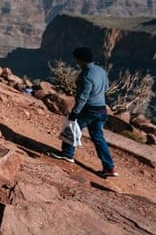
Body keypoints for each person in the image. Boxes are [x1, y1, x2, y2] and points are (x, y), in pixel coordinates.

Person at [50, 47, 118, 178]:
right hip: (102, 109)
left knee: (72, 127)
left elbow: (83, 97)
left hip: (89, 109)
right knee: (98, 138)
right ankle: (109, 167)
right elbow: (106, 87)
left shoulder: (86, 75)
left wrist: (75, 112)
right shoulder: (101, 71)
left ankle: (67, 154)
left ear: (80, 59)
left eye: (76, 58)